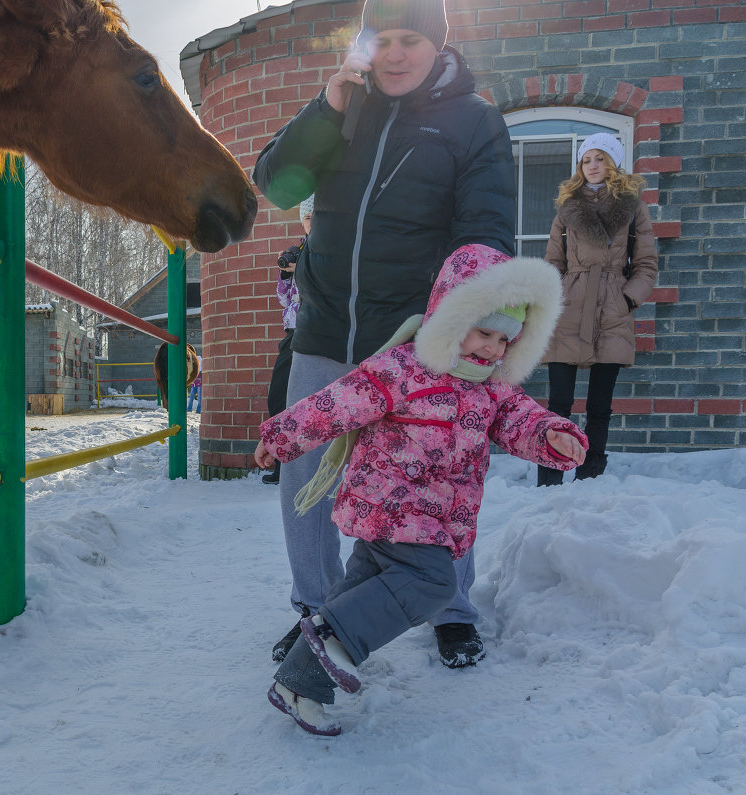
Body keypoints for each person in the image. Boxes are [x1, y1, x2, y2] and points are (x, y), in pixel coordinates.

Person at [252, 0, 516, 667]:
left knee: (435, 476)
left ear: (437, 46)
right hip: (325, 329)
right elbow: (278, 184)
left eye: (411, 40)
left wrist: (465, 325)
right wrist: (328, 105)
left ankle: (451, 607)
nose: (396, 54)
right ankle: (317, 607)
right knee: (306, 475)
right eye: (384, 40)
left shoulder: (474, 120)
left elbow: (486, 229)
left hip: (415, 340)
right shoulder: (346, 109)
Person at [254, 244, 586, 736]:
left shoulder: (492, 388)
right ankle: (333, 639)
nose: (492, 349)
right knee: (433, 585)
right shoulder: (403, 368)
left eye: (504, 340)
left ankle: (300, 682)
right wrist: (281, 436)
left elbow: (522, 420)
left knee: (355, 593)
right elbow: (336, 404)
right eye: (483, 331)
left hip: (437, 519)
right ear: (452, 316)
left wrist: (553, 437)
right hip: (389, 509)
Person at [537, 133, 658, 486]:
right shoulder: (567, 206)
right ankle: (550, 477)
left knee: (599, 406)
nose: (593, 165)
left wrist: (628, 298)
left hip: (611, 309)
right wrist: (556, 296)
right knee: (558, 402)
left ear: (613, 163)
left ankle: (591, 476)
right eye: (587, 159)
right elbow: (552, 263)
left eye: (601, 158)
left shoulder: (632, 207)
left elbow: (647, 263)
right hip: (570, 307)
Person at [263, 196, 314, 486]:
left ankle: (301, 469)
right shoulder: (300, 250)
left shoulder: (327, 251)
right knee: (279, 397)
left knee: (305, 402)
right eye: (307, 218)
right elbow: (284, 298)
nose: (312, 224)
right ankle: (284, 464)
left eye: (317, 217)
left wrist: (303, 269)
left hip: (315, 334)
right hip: (292, 334)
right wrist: (286, 272)